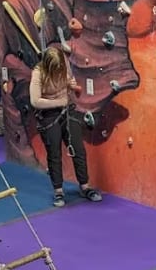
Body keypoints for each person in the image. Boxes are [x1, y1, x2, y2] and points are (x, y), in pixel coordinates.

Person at [29, 44, 102, 207]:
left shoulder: (64, 64)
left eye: (59, 67)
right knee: (54, 152)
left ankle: (85, 186)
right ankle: (58, 191)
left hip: (67, 111)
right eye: (54, 68)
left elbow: (68, 80)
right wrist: (57, 102)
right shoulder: (38, 73)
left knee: (78, 148)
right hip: (49, 115)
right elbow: (35, 101)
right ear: (47, 66)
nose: (58, 70)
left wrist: (72, 86)